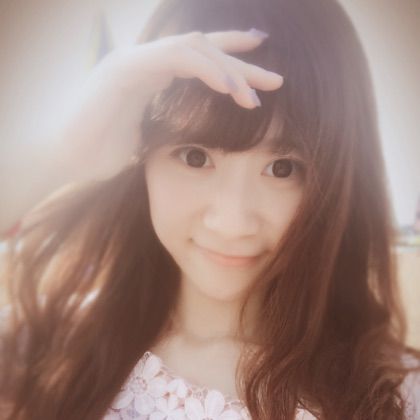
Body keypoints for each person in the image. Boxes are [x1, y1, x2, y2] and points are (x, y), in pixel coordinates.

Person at [0, 0, 419, 418]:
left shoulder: (393, 395)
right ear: (144, 156)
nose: (231, 223)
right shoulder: (54, 343)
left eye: (283, 168)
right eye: (195, 156)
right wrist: (64, 155)